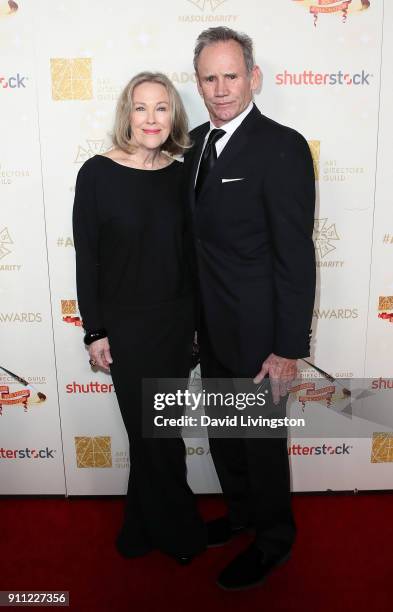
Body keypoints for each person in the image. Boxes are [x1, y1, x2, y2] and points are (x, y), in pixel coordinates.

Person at [184, 27, 316, 589]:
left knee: (260, 443)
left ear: (253, 78)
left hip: (261, 335)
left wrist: (288, 349)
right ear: (198, 82)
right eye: (209, 77)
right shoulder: (190, 143)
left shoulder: (281, 145)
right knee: (223, 433)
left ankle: (273, 540)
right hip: (208, 329)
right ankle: (239, 515)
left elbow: (296, 255)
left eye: (231, 75)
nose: (220, 89)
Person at [72, 72, 206, 564]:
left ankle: (139, 528)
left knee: (160, 432)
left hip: (174, 324)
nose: (151, 118)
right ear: (127, 114)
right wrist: (95, 329)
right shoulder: (97, 173)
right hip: (126, 329)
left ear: (174, 115)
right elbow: (89, 258)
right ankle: (180, 531)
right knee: (151, 434)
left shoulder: (180, 174)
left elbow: (189, 259)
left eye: (162, 108)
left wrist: (195, 325)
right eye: (141, 107)